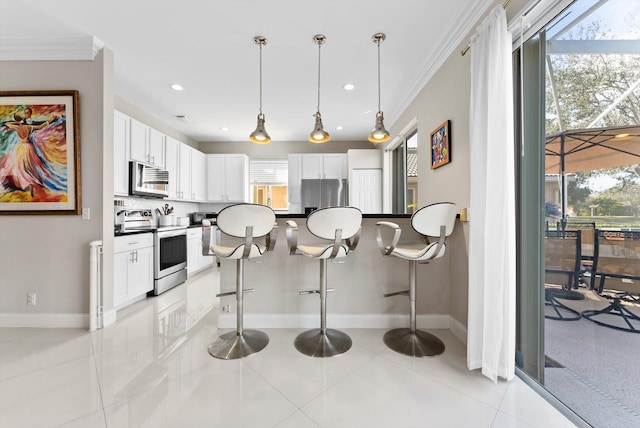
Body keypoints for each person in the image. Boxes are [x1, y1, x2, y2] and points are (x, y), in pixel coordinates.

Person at [0, 112, 60, 197]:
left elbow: (7, 123)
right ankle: (31, 183)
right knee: (30, 167)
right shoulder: (28, 127)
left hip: (20, 148)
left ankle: (24, 183)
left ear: (16, 120)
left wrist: (16, 122)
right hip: (28, 147)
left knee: (21, 167)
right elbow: (40, 127)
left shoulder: (16, 127)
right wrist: (50, 120)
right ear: (22, 119)